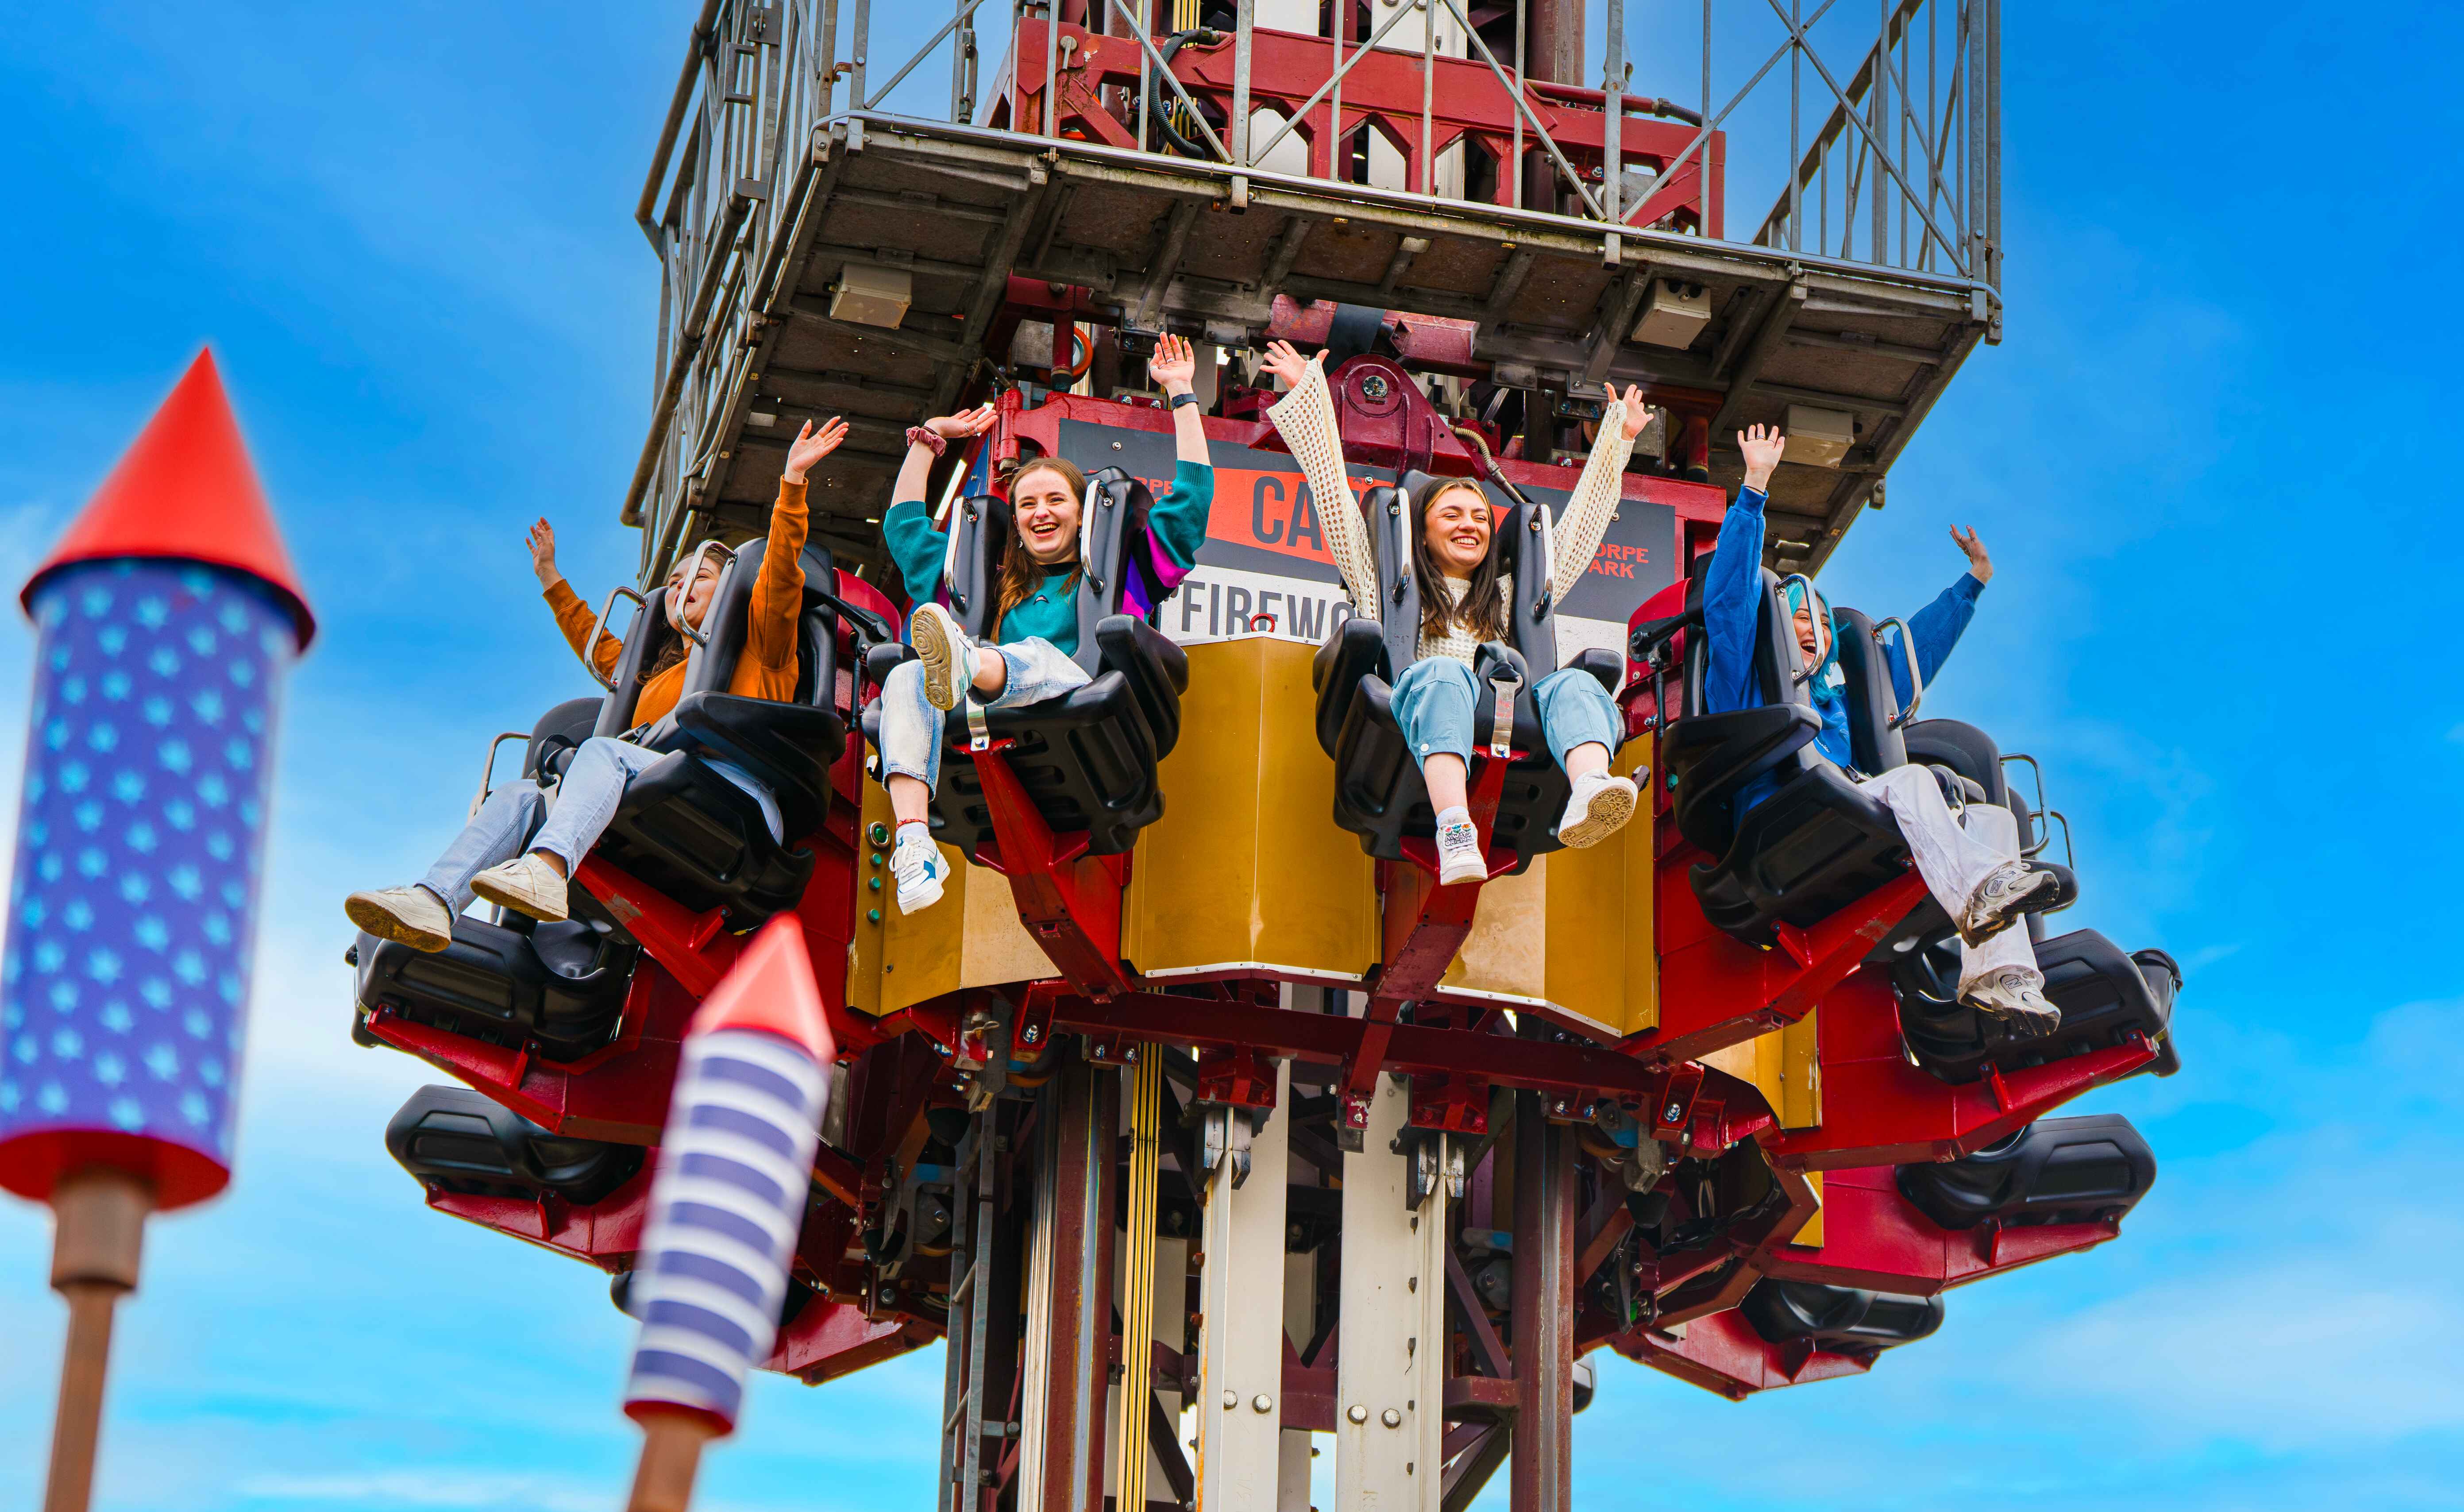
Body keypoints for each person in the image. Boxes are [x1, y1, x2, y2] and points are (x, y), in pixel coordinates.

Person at [344, 416, 852, 950]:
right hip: (665, 791)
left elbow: (779, 574)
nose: (681, 589)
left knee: (602, 752)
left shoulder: (763, 642)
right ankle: (433, 901)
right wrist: (550, 579)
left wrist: (792, 484)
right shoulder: (658, 677)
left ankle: (547, 868)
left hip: (737, 798)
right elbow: (601, 647)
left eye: (700, 578)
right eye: (674, 582)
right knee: (521, 795)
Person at [1705, 422, 2063, 1031]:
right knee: (1913, 781)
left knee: (1994, 819)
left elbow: (1907, 656)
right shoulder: (1745, 675)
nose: (1814, 629)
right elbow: (1729, 601)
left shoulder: (1836, 699)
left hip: (1840, 809)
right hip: (1779, 818)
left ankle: (1999, 975)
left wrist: (1972, 584)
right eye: (1798, 618)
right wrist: (1754, 490)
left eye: (1822, 621)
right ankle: (1977, 892)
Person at [1262, 339, 1643, 883]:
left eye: (1480, 518)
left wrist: (1617, 440)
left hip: (1509, 716)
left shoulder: (1507, 595)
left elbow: (1580, 532)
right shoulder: (1385, 584)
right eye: (1452, 515)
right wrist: (1308, 397)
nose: (1470, 525)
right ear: (1421, 532)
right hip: (1423, 710)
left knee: (1575, 683)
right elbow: (1330, 493)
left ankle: (1587, 788)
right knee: (1443, 673)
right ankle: (1454, 826)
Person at [879, 334, 1215, 914]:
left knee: (1033, 652)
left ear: (1081, 514)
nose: (1040, 512)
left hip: (1078, 697)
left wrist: (1182, 395)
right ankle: (914, 844)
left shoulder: (1127, 571)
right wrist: (930, 438)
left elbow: (1192, 498)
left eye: (1055, 500)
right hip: (987, 711)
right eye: (1027, 504)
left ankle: (966, 664)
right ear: (1015, 522)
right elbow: (904, 530)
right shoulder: (990, 584)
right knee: (903, 678)